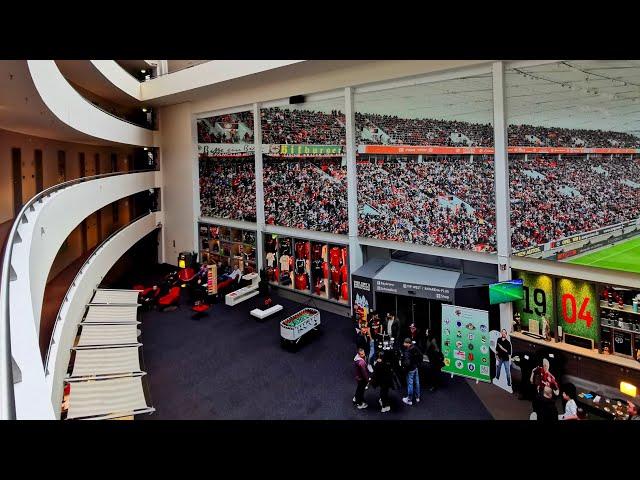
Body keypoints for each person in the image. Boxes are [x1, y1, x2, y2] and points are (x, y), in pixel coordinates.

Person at [401, 338, 422, 406]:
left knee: (410, 384)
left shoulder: (407, 352)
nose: (403, 344)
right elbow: (420, 355)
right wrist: (418, 364)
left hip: (410, 369)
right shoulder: (415, 347)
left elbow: (407, 363)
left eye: (404, 343)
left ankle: (409, 400)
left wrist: (404, 368)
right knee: (417, 382)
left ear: (408, 343)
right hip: (415, 367)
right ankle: (417, 397)